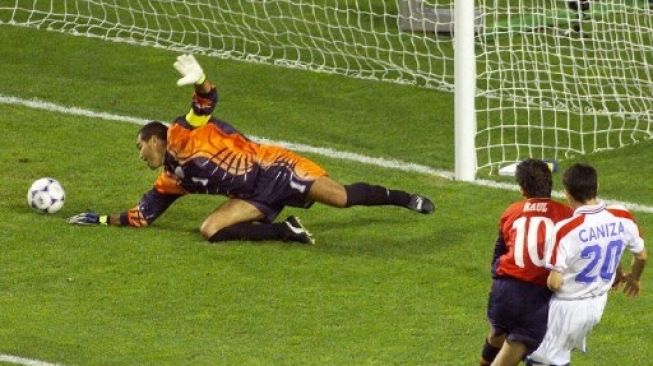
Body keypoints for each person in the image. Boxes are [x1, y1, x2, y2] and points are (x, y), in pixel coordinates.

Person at [68, 54, 435, 244]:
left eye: (140, 146)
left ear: (155, 139)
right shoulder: (169, 181)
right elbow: (142, 217)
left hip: (274, 168)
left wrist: (200, 79)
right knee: (210, 230)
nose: (139, 155)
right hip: (250, 195)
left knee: (340, 197)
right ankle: (286, 232)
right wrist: (100, 219)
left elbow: (205, 101)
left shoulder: (182, 134)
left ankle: (405, 199)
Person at [526, 163, 647, 366]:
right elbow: (641, 255)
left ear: (567, 193)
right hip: (597, 304)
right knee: (557, 355)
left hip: (567, 308)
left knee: (539, 359)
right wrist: (633, 278)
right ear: (597, 186)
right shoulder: (622, 215)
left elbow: (554, 283)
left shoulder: (565, 230)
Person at [479, 159, 573, 366]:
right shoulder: (567, 214)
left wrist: (500, 277)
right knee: (538, 353)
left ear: (522, 190)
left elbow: (498, 254)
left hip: (504, 292)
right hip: (538, 296)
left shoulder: (511, 212)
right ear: (550, 184)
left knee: (497, 334)